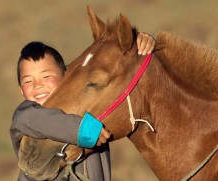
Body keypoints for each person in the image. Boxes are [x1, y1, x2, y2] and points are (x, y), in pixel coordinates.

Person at [10, 32, 156, 181]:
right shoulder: (25, 114)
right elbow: (39, 121)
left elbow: (115, 83)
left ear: (67, 77)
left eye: (46, 76)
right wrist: (82, 129)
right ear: (21, 89)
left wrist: (138, 44)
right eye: (28, 81)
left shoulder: (87, 107)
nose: (37, 85)